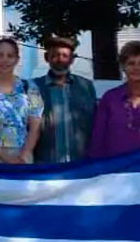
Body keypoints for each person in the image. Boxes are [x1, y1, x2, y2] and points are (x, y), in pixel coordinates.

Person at [33, 35, 98, 163]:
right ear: (47, 58)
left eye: (65, 55)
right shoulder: (34, 87)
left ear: (72, 59)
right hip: (45, 165)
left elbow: (96, 125)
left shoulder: (85, 87)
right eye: (55, 55)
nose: (60, 60)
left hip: (80, 166)